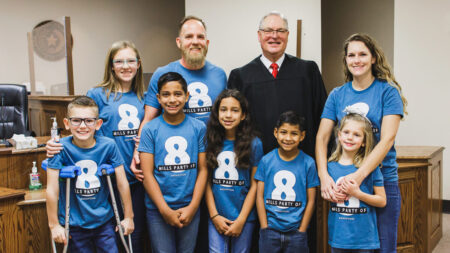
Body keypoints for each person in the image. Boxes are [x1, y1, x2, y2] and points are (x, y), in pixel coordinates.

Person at [46, 41, 147, 252]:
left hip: (134, 179)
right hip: (102, 178)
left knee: (132, 239)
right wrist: (55, 145)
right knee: (104, 238)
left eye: (130, 61)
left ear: (139, 64)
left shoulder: (144, 98)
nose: (125, 66)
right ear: (111, 65)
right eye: (119, 61)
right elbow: (81, 120)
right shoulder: (98, 94)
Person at [316, 33, 407, 252]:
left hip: (381, 180)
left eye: (363, 54)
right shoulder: (337, 95)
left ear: (374, 58)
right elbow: (322, 137)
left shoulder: (387, 92)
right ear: (346, 60)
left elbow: (387, 140)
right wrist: (324, 176)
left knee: (384, 247)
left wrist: (358, 177)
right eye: (351, 55)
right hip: (344, 183)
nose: (357, 60)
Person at [228, 11, 327, 157]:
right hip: (258, 164)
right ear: (259, 35)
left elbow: (324, 119)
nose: (274, 36)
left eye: (280, 31)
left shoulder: (308, 71)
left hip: (303, 163)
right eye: (268, 31)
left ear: (287, 35)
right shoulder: (240, 76)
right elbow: (233, 126)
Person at [46, 96, 134, 252]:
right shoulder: (58, 148)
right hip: (74, 223)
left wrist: (128, 217)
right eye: (76, 120)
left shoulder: (109, 145)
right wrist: (54, 225)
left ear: (98, 124)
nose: (82, 126)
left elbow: (122, 182)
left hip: (104, 221)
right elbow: (52, 190)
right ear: (66, 123)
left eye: (89, 121)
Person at [138, 72, 208, 253]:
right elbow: (147, 174)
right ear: (158, 98)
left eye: (178, 94)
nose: (172, 99)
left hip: (189, 206)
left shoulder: (198, 128)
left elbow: (203, 170)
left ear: (187, 96)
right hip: (158, 209)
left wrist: (193, 207)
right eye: (166, 94)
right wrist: (164, 210)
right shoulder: (150, 129)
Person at [204, 89, 264, 252]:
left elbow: (254, 185)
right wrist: (214, 216)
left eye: (235, 110)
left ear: (243, 115)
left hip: (244, 217)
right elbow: (206, 183)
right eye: (223, 110)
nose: (228, 115)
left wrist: (242, 219)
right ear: (217, 113)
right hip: (217, 215)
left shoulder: (255, 144)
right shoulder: (210, 141)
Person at [254, 111, 319, 253]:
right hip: (270, 231)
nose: (288, 138)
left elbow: (311, 200)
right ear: (276, 132)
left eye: (294, 133)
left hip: (296, 233)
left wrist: (302, 230)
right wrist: (264, 227)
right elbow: (259, 196)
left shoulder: (308, 163)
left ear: (302, 136)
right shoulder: (266, 161)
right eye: (283, 132)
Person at [327, 113, 386, 252]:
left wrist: (357, 194)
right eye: (346, 132)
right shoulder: (329, 166)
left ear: (364, 141)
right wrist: (330, 195)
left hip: (365, 240)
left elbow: (382, 200)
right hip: (339, 238)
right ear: (339, 135)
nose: (350, 137)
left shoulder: (370, 167)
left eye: (357, 135)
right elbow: (324, 193)